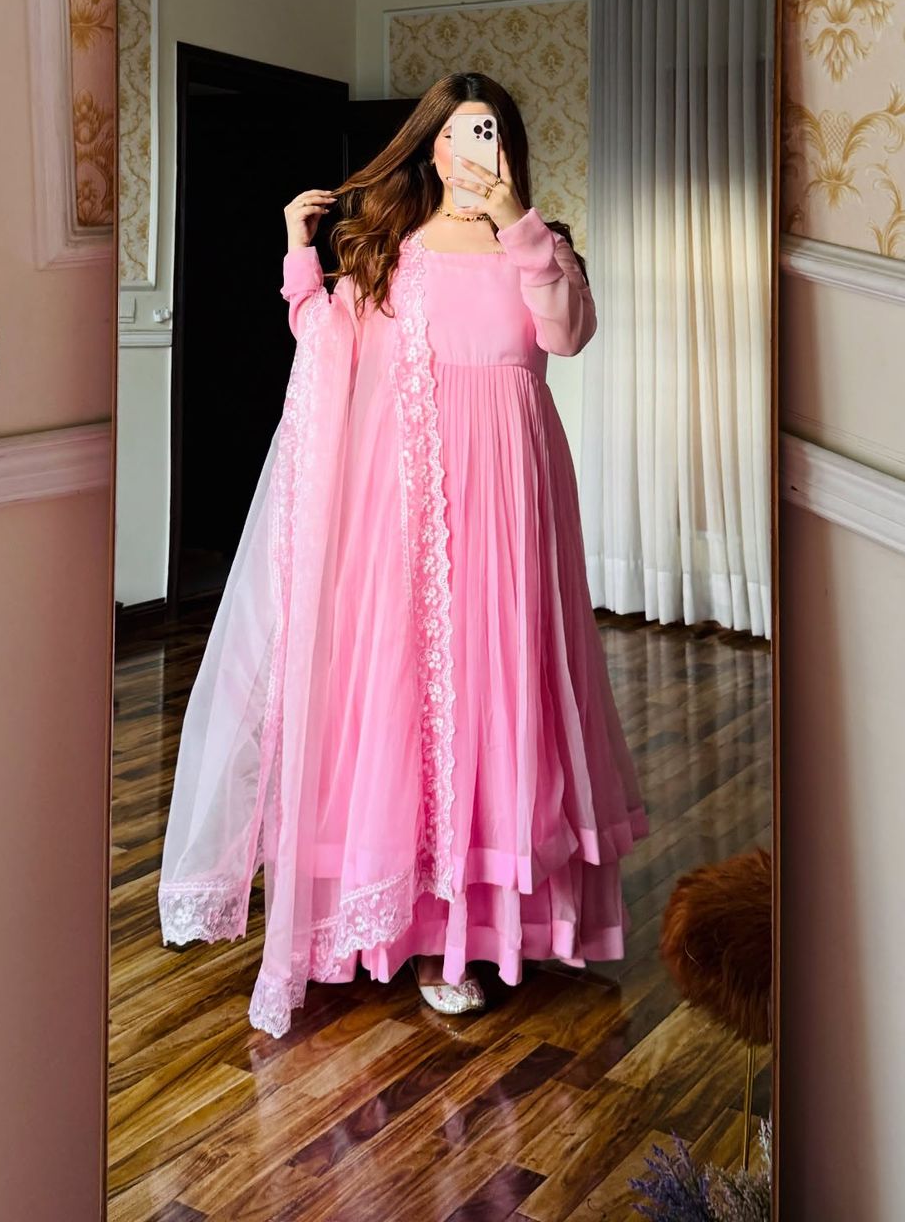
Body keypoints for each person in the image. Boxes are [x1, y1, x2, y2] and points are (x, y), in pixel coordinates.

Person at [157, 71, 649, 1038]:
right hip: (407, 513)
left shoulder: (538, 245)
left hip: (515, 512)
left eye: (490, 131)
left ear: (507, 148)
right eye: (460, 132)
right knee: (410, 706)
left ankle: (488, 926)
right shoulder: (392, 257)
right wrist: (299, 257)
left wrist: (517, 221)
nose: (473, 149)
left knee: (503, 696)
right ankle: (414, 929)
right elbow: (324, 352)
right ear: (432, 147)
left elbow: (568, 335)